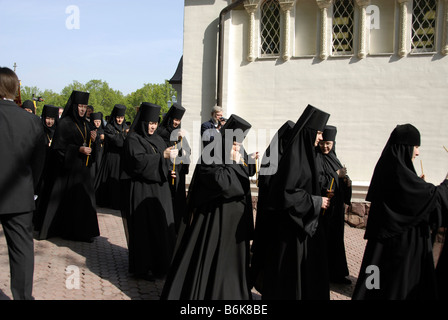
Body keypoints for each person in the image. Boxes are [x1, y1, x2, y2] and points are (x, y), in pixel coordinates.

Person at [161, 114, 258, 300]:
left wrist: (243, 162)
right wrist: (234, 162)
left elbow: (243, 180)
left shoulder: (236, 158)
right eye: (235, 144)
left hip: (233, 228)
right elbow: (224, 184)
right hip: (214, 223)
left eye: (239, 144)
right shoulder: (210, 156)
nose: (238, 149)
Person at [352, 124, 448, 300]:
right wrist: (446, 183)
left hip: (384, 244)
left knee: (377, 282)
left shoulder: (391, 167)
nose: (417, 153)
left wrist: (419, 187)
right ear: (406, 146)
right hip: (399, 246)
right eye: (416, 147)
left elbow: (411, 195)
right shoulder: (397, 171)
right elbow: (430, 198)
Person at [255, 104, 331, 300]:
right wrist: (315, 201)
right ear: (310, 132)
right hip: (289, 232)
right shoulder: (293, 157)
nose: (321, 138)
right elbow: (287, 194)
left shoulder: (307, 156)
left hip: (301, 228)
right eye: (320, 133)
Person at [0, 67, 46, 299]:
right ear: (14, 89)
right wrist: (31, 187)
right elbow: (39, 163)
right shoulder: (32, 121)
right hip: (20, 196)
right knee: (22, 252)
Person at [121, 102, 177, 281]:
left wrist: (169, 168)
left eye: (155, 123)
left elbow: (163, 158)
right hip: (142, 190)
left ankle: (161, 264)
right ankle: (143, 268)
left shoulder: (158, 139)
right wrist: (163, 157)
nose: (152, 126)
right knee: (144, 229)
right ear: (143, 122)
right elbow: (137, 163)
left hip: (160, 191)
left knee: (161, 227)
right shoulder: (133, 139)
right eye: (149, 123)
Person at [34, 90, 100, 243]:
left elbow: (92, 148)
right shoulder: (64, 123)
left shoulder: (87, 124)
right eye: (80, 106)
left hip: (82, 171)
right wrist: (77, 149)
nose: (83, 109)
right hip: (66, 172)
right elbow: (58, 149)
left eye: (85, 106)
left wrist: (94, 141)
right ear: (74, 106)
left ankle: (81, 232)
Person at [250, 120, 295, 291]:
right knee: (263, 251)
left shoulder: (284, 154)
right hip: (269, 211)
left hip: (275, 212)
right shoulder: (273, 155)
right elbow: (267, 183)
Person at [316, 125, 352, 285]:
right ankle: (323, 272)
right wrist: (335, 175)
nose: (325, 146)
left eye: (328, 143)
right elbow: (318, 180)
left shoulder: (334, 159)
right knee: (324, 241)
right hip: (323, 208)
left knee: (336, 240)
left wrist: (346, 182)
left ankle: (337, 273)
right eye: (323, 143)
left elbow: (339, 181)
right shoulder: (316, 158)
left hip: (336, 209)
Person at [157, 102, 191, 233]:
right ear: (170, 118)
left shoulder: (179, 134)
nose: (177, 123)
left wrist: (182, 143)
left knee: (177, 203)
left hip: (178, 173)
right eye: (175, 119)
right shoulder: (160, 133)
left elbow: (188, 151)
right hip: (166, 172)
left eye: (179, 120)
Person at [95, 104, 129, 210]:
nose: (119, 120)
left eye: (121, 118)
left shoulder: (126, 127)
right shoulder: (109, 127)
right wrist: (124, 134)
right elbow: (116, 142)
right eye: (118, 117)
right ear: (114, 117)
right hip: (111, 158)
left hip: (122, 158)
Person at [90, 112, 105, 180]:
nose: (98, 123)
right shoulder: (89, 130)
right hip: (92, 153)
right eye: (96, 121)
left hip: (101, 153)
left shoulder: (103, 130)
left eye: (99, 121)